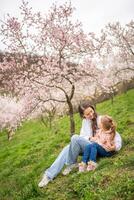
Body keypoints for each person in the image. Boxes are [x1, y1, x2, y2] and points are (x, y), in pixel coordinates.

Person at [38, 102, 122, 188]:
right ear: (83, 115)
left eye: (91, 111)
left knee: (74, 138)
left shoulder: (100, 119)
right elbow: (82, 136)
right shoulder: (85, 122)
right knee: (67, 147)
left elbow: (113, 133)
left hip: (98, 148)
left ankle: (71, 163)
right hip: (89, 146)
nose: (91, 114)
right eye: (87, 114)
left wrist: (115, 147)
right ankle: (48, 175)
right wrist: (90, 138)